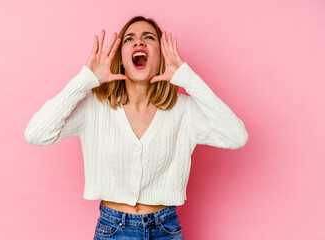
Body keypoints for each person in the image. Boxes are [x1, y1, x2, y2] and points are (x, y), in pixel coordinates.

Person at [24, 16, 248, 239]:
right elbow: (36, 133)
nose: (139, 42)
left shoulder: (183, 110)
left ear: (160, 55)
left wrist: (188, 79)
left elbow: (236, 136)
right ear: (121, 57)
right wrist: (85, 80)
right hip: (113, 229)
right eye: (129, 39)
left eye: (148, 37)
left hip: (166, 229)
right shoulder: (94, 107)